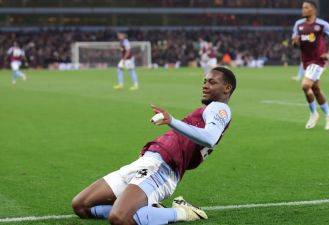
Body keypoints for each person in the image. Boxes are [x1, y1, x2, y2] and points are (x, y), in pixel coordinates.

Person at [72, 67, 237, 225]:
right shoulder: (209, 109)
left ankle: (183, 212)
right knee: (81, 206)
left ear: (227, 88)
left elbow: (209, 138)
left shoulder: (220, 108)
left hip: (162, 168)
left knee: (120, 218)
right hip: (147, 161)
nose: (205, 85)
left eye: (212, 82)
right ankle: (148, 211)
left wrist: (172, 121)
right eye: (205, 81)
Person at [292, 0, 329, 130]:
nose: (303, 10)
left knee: (305, 85)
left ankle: (313, 113)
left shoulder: (322, 25)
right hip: (306, 61)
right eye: (302, 7)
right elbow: (295, 44)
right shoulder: (298, 25)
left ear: (313, 10)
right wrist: (295, 43)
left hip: (318, 60)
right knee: (316, 90)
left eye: (305, 8)